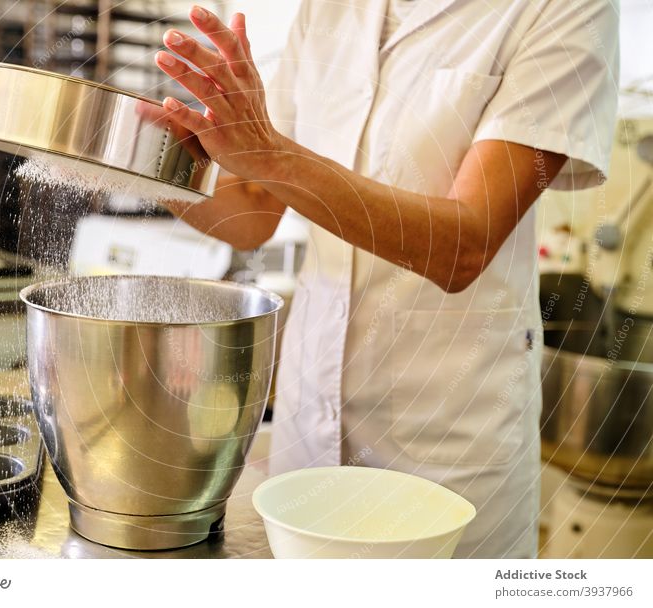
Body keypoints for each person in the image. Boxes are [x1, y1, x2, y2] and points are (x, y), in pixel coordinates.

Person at [153, 1, 619, 557]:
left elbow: (464, 245)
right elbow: (253, 210)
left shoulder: (563, 8)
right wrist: (138, 155)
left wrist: (271, 154)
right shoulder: (325, 13)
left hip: (446, 448)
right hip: (310, 438)